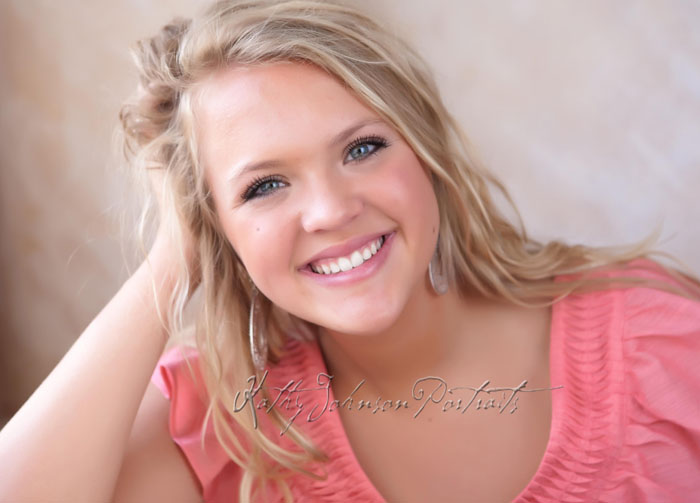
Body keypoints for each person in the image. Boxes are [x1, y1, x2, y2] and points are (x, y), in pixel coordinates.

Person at [1, 1, 699, 502]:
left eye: (362, 149)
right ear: (212, 226)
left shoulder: (657, 339)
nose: (332, 210)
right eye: (264, 186)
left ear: (425, 149)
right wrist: (173, 260)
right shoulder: (222, 428)